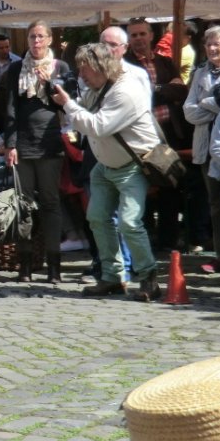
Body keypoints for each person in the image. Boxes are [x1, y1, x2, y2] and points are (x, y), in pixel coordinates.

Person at [52, 43, 161, 301]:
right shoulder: (97, 87)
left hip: (133, 164)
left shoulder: (126, 90)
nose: (81, 73)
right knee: (98, 218)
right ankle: (112, 278)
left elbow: (97, 126)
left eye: (84, 67)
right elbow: (82, 114)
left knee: (129, 222)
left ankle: (149, 279)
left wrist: (68, 104)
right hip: (105, 165)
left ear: (101, 66)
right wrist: (65, 102)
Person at [3, 20, 70, 284]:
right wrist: (10, 144)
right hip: (23, 145)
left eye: (41, 37)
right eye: (32, 37)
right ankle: (25, 264)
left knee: (51, 204)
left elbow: (67, 104)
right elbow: (9, 109)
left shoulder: (60, 67)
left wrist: (50, 83)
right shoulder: (16, 68)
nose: (36, 42)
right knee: (24, 206)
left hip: (50, 144)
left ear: (50, 40)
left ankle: (54, 267)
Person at [125, 17, 187, 253]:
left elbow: (181, 90)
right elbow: (133, 98)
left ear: (151, 36)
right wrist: (164, 90)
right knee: (145, 186)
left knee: (170, 184)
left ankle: (168, 240)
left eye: (142, 34)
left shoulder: (166, 62)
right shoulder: (125, 64)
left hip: (169, 133)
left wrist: (154, 90)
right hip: (140, 135)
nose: (139, 39)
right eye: (134, 35)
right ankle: (146, 237)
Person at [184, 25, 220, 274]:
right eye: (208, 44)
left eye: (217, 43)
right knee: (215, 204)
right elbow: (189, 111)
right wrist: (216, 105)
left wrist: (208, 103)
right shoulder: (200, 73)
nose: (211, 48)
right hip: (206, 149)